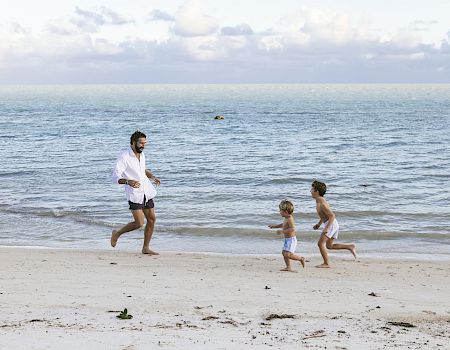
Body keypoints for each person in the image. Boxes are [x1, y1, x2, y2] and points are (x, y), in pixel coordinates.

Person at [111, 131, 161, 255]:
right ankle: (117, 233)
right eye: (140, 143)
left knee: (152, 219)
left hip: (146, 191)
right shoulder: (124, 156)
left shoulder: (141, 155)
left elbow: (141, 170)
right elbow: (115, 176)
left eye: (144, 143)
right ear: (133, 142)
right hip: (135, 194)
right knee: (139, 223)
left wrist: (152, 176)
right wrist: (128, 182)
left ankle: (145, 248)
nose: (143, 145)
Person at [311, 180, 356, 268]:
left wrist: (326, 228)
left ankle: (326, 263)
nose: (310, 191)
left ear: (317, 191)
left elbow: (332, 215)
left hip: (331, 224)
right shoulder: (318, 201)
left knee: (320, 243)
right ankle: (350, 246)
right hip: (331, 224)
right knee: (329, 245)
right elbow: (323, 215)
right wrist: (319, 224)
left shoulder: (322, 202)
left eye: (312, 189)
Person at [268, 199, 305, 272]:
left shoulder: (290, 219)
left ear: (286, 212)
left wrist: (282, 231)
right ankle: (288, 267)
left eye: (280, 210)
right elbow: (283, 225)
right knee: (284, 253)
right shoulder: (286, 218)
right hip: (287, 239)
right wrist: (274, 226)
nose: (279, 212)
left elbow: (292, 229)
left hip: (291, 240)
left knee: (288, 255)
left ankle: (301, 258)